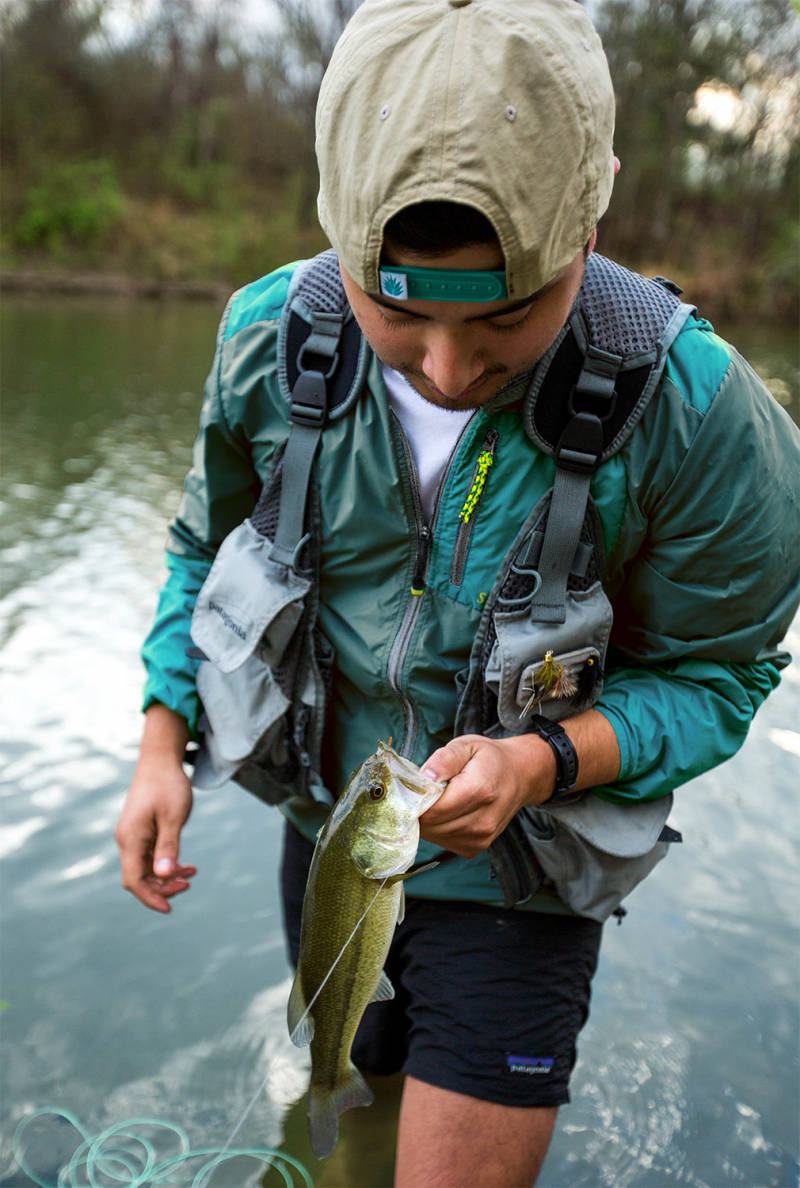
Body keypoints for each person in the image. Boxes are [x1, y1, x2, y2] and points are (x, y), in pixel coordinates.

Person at [114, 1, 800, 1184]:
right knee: (348, 1090)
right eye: (394, 312)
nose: (445, 369)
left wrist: (540, 761)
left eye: (505, 317)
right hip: (331, 838)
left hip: (524, 882)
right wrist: (158, 742)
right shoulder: (266, 339)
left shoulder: (701, 417)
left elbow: (718, 677)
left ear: (590, 214)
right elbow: (199, 549)